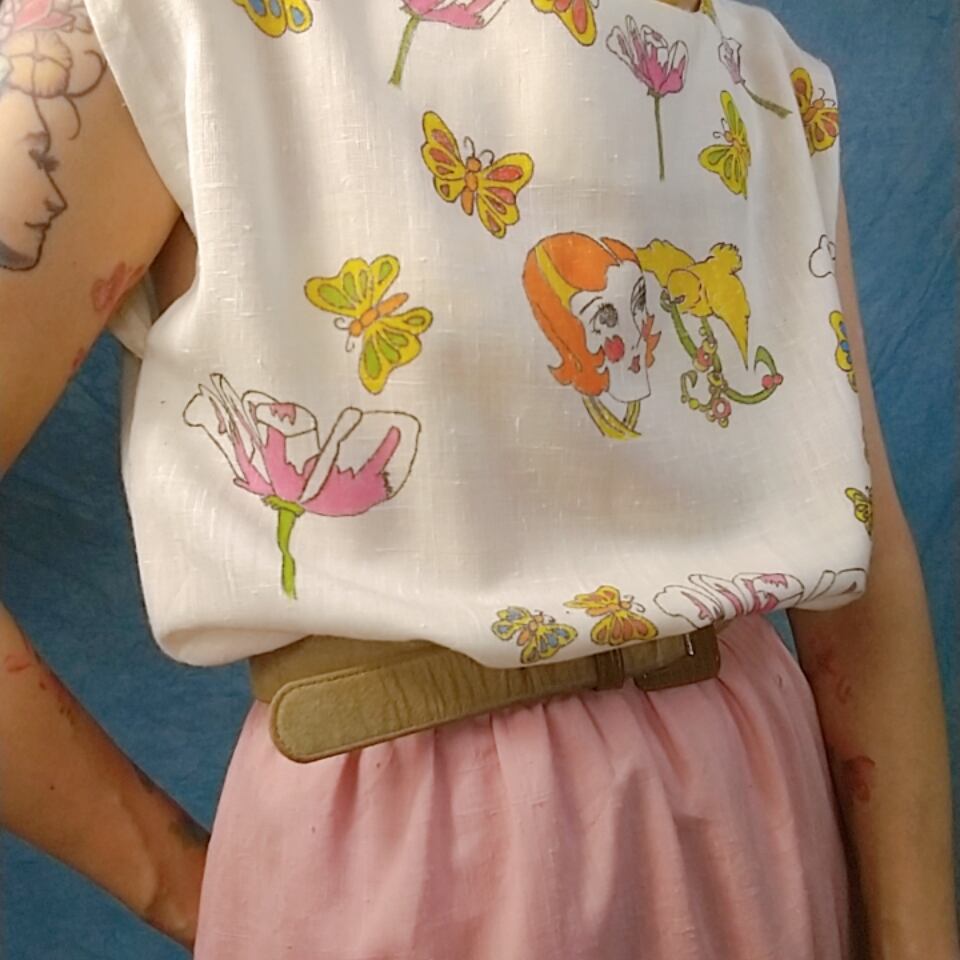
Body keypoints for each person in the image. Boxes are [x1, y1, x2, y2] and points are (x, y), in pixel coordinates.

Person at [1, 0, 957, 958]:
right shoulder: (157, 29)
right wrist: (181, 885)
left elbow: (858, 549)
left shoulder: (756, 74)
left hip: (762, 824)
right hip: (407, 861)